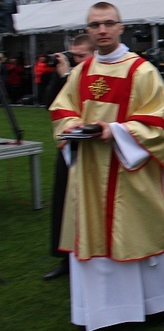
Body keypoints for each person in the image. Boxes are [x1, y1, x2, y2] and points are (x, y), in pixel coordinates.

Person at [49, 2, 164, 331]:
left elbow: (162, 125)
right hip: (90, 173)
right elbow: (62, 108)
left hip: (133, 172)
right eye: (95, 24)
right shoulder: (81, 72)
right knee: (96, 240)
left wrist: (115, 131)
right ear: (88, 31)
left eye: (108, 23)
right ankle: (101, 315)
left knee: (144, 230)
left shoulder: (142, 71)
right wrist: (73, 125)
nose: (101, 30)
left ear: (120, 28)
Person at [42, 34, 95, 281]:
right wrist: (62, 76)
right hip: (69, 146)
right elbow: (51, 104)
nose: (76, 60)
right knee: (63, 201)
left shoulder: (95, 76)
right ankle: (65, 256)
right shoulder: (73, 75)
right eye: (73, 56)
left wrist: (66, 77)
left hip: (94, 152)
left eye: (81, 56)